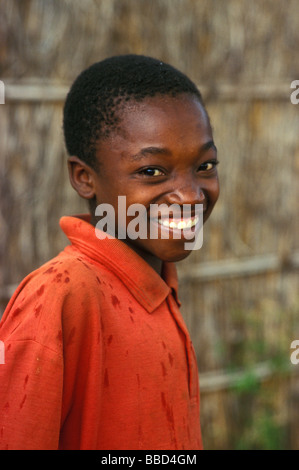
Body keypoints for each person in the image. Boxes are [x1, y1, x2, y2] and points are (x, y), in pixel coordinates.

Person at [0, 55, 219, 450]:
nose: (191, 195)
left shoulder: (156, 285)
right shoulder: (60, 296)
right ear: (85, 178)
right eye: (152, 171)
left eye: (205, 165)